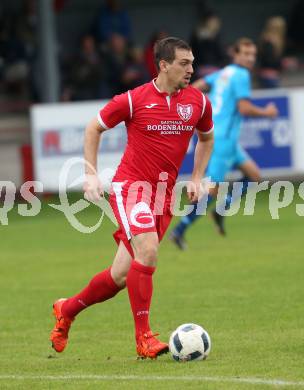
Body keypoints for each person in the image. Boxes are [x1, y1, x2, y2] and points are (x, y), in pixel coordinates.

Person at [50, 37, 214, 359]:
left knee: (121, 276)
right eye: (184, 63)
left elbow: (206, 137)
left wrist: (196, 177)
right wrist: (91, 174)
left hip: (163, 197)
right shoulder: (133, 99)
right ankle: (144, 339)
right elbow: (92, 129)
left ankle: (66, 309)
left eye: (192, 62)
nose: (191, 69)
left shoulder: (198, 102)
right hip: (131, 188)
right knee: (148, 250)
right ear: (163, 65)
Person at [170, 37, 278, 250]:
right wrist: (267, 112)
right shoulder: (241, 75)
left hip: (224, 138)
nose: (249, 59)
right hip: (223, 140)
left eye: (252, 55)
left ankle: (221, 210)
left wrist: (180, 97)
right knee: (210, 190)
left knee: (254, 175)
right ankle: (180, 229)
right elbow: (244, 108)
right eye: (245, 54)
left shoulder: (225, 72)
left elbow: (200, 85)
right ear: (235, 54)